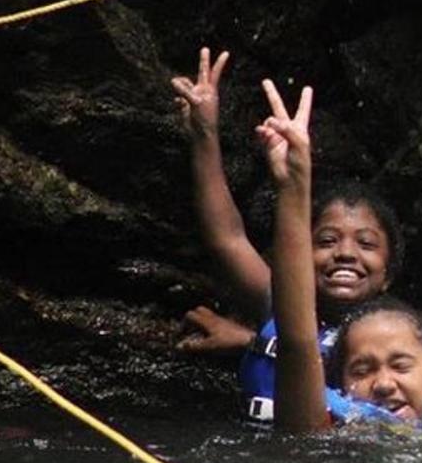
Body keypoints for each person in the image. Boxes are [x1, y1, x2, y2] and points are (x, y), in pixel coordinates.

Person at [256, 79, 422, 437]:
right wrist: (295, 187)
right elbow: (298, 342)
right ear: (339, 386)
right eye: (362, 370)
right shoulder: (324, 429)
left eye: (401, 366)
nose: (384, 384)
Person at [172, 48, 401, 421]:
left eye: (366, 244)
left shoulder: (392, 335)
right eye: (327, 240)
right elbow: (226, 237)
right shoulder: (275, 298)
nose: (345, 253)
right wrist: (204, 133)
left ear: (389, 274)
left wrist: (248, 341)